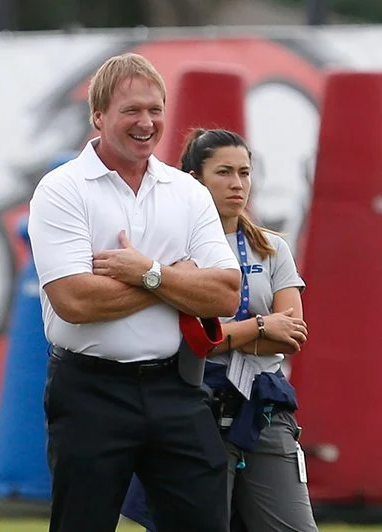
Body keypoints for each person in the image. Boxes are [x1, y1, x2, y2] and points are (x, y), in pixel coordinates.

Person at [26, 53, 241, 532]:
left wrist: (145, 273)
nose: (147, 123)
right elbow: (75, 301)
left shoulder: (187, 193)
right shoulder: (61, 189)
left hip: (176, 389)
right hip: (89, 390)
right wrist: (177, 279)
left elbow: (226, 293)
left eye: (155, 110)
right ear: (98, 116)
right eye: (131, 111)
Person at [121, 128, 317, 531]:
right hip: (194, 407)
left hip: (263, 408)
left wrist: (225, 334)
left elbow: (291, 335)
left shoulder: (271, 248)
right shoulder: (169, 248)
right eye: (224, 172)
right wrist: (261, 325)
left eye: (245, 173)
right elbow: (187, 340)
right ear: (194, 179)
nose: (238, 184)